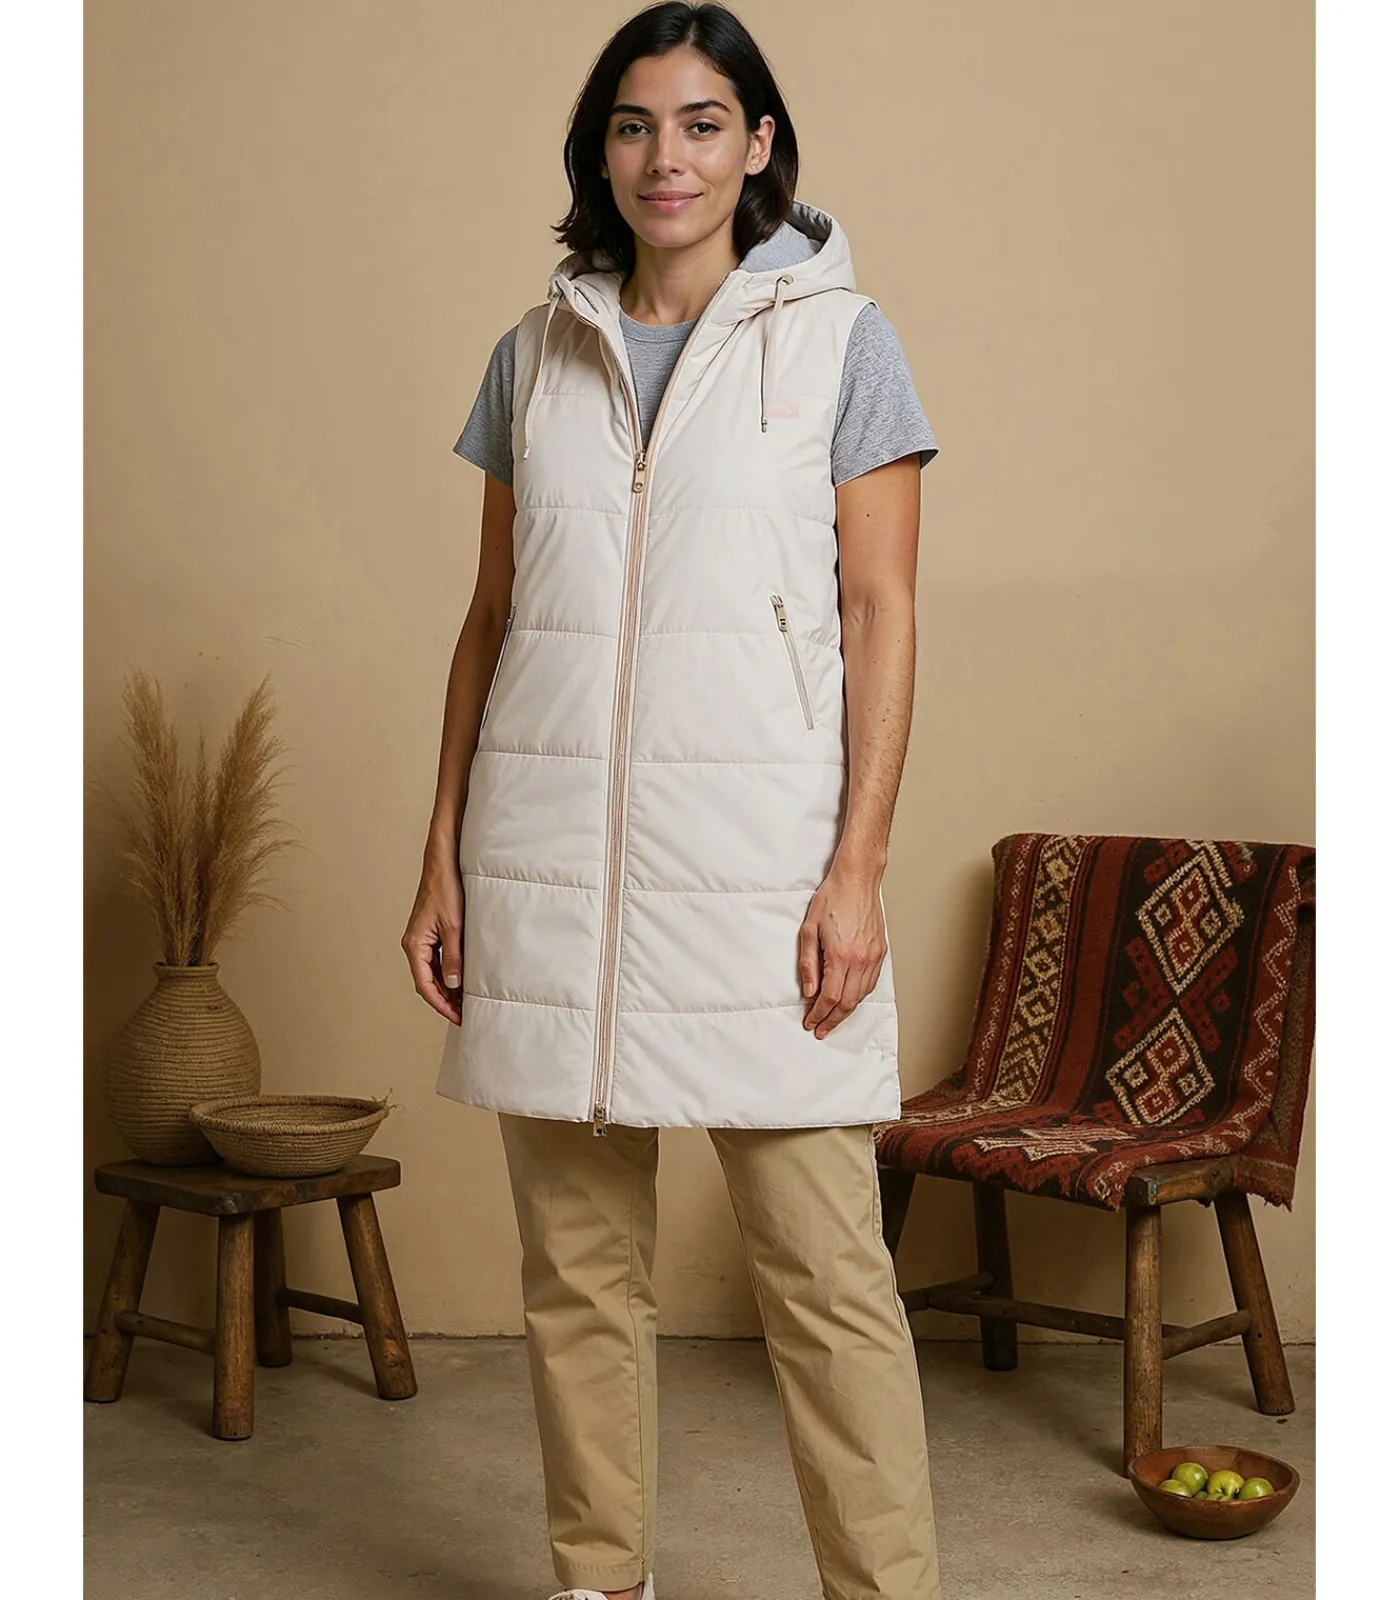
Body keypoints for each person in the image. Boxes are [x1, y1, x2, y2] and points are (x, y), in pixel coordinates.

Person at [403, 5, 944, 1598]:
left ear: (759, 144)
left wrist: (859, 867)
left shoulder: (843, 343)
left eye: (704, 124)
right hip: (549, 864)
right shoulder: (533, 355)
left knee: (828, 1279)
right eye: (635, 126)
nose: (668, 158)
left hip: (761, 871)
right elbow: (493, 618)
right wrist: (441, 857)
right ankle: (600, 1579)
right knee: (575, 1275)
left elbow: (882, 613)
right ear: (601, 150)